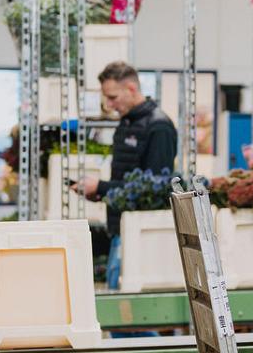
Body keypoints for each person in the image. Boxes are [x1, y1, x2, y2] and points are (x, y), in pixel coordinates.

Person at [73, 61, 177, 286]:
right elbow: (128, 180)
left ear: (131, 89)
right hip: (120, 227)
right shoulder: (127, 124)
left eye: (113, 97)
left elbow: (155, 187)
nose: (109, 105)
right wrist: (100, 193)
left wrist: (101, 187)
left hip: (140, 235)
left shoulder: (159, 127)